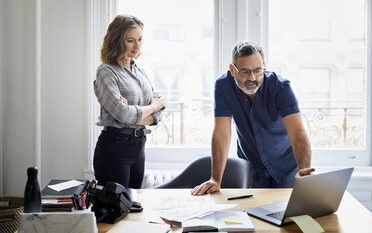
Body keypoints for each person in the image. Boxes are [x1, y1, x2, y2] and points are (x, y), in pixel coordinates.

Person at [191, 40, 314, 195]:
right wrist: (216, 179)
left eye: (258, 70)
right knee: (254, 216)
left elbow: (298, 133)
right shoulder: (223, 87)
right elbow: (222, 134)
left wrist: (304, 171)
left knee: (290, 217)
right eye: (244, 72)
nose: (252, 78)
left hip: (287, 167)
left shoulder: (280, 87)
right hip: (253, 168)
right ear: (232, 70)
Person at [93, 14, 165, 189]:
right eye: (131, 40)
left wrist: (136, 113)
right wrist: (152, 107)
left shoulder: (139, 71)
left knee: (133, 205)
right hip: (114, 148)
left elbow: (160, 112)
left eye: (140, 39)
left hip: (139, 145)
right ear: (117, 41)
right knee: (116, 208)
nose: (137, 46)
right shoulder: (107, 72)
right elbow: (123, 113)